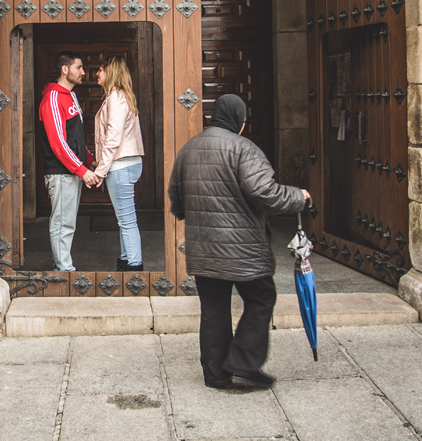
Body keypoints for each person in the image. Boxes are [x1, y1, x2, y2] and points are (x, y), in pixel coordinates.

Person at [167, 94, 310, 389]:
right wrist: (300, 197)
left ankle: (216, 375)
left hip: (204, 248)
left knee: (214, 308)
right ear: (239, 121)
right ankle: (244, 363)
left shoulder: (188, 149)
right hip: (242, 249)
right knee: (261, 298)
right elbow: (265, 193)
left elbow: (176, 198)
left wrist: (197, 217)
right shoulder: (244, 148)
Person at [38, 51, 100, 272]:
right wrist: (81, 169)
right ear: (65, 70)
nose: (83, 72)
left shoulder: (71, 96)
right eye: (79, 68)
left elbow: (74, 137)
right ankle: (63, 271)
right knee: (63, 223)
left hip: (72, 171)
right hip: (61, 172)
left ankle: (64, 267)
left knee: (68, 222)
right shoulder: (53, 98)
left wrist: (89, 160)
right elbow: (58, 143)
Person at [93, 55, 146, 272]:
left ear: (111, 72)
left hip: (121, 165)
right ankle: (126, 260)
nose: (97, 73)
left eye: (100, 69)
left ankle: (134, 266)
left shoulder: (116, 97)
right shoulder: (123, 97)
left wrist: (100, 170)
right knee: (124, 218)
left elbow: (113, 137)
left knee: (126, 219)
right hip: (127, 163)